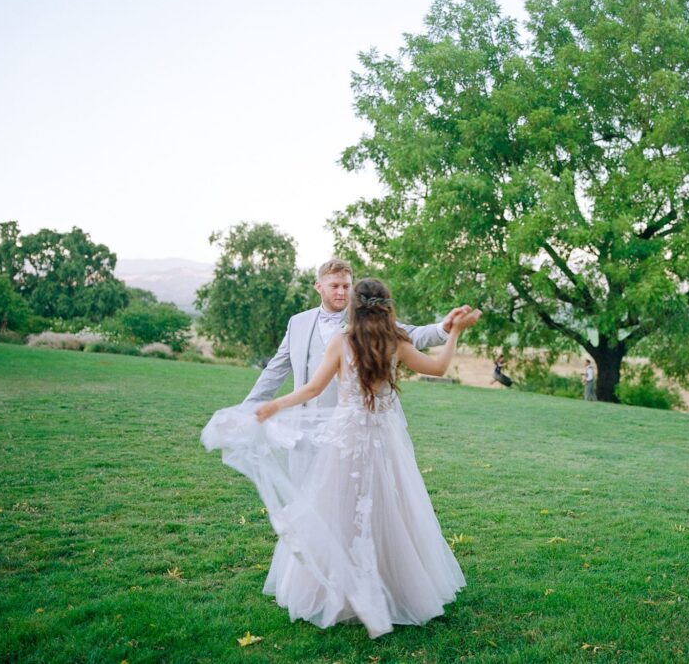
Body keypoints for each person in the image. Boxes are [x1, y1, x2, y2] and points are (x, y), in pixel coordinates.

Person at [200, 278, 480, 639]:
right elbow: (439, 368)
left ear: (354, 307)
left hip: (346, 437)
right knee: (386, 509)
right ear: (386, 307)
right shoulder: (395, 342)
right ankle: (392, 587)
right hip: (383, 438)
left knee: (336, 508)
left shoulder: (342, 341)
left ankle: (339, 590)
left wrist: (275, 405)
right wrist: (454, 332)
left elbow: (313, 388)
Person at [244, 259, 471, 408]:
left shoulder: (370, 322)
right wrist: (250, 406)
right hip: (304, 425)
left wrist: (444, 327)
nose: (342, 292)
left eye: (346, 286)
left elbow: (413, 334)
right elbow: (276, 369)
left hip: (347, 424)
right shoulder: (297, 323)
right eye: (335, 286)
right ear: (318, 287)